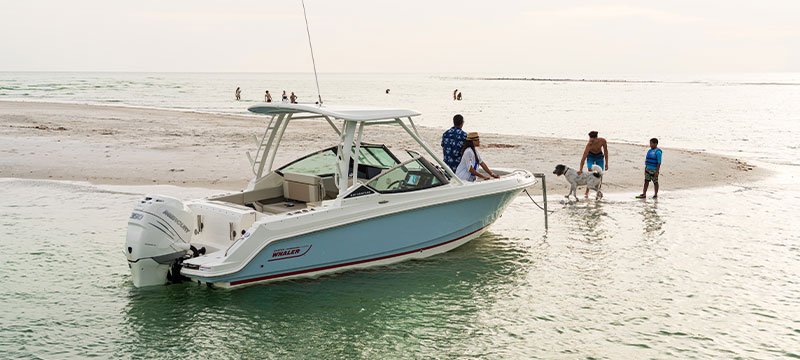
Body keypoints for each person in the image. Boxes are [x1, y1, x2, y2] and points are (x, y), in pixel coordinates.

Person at [578, 130, 609, 198]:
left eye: (592, 141)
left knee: (600, 174)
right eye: (590, 140)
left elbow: (606, 152)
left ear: (596, 138)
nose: (590, 142)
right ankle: (587, 191)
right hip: (591, 156)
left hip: (599, 156)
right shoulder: (589, 145)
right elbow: (583, 157)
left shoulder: (602, 141)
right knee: (590, 171)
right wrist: (580, 169)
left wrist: (606, 163)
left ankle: (598, 191)